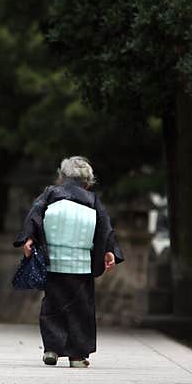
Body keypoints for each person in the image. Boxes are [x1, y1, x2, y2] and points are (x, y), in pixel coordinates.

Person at [14, 156, 124, 367]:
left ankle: (52, 349)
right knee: (82, 307)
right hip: (81, 263)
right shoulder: (92, 200)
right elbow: (104, 228)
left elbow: (35, 216)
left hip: (54, 260)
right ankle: (77, 356)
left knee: (52, 303)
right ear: (88, 180)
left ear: (62, 177)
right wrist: (108, 251)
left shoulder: (51, 194)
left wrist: (29, 239)